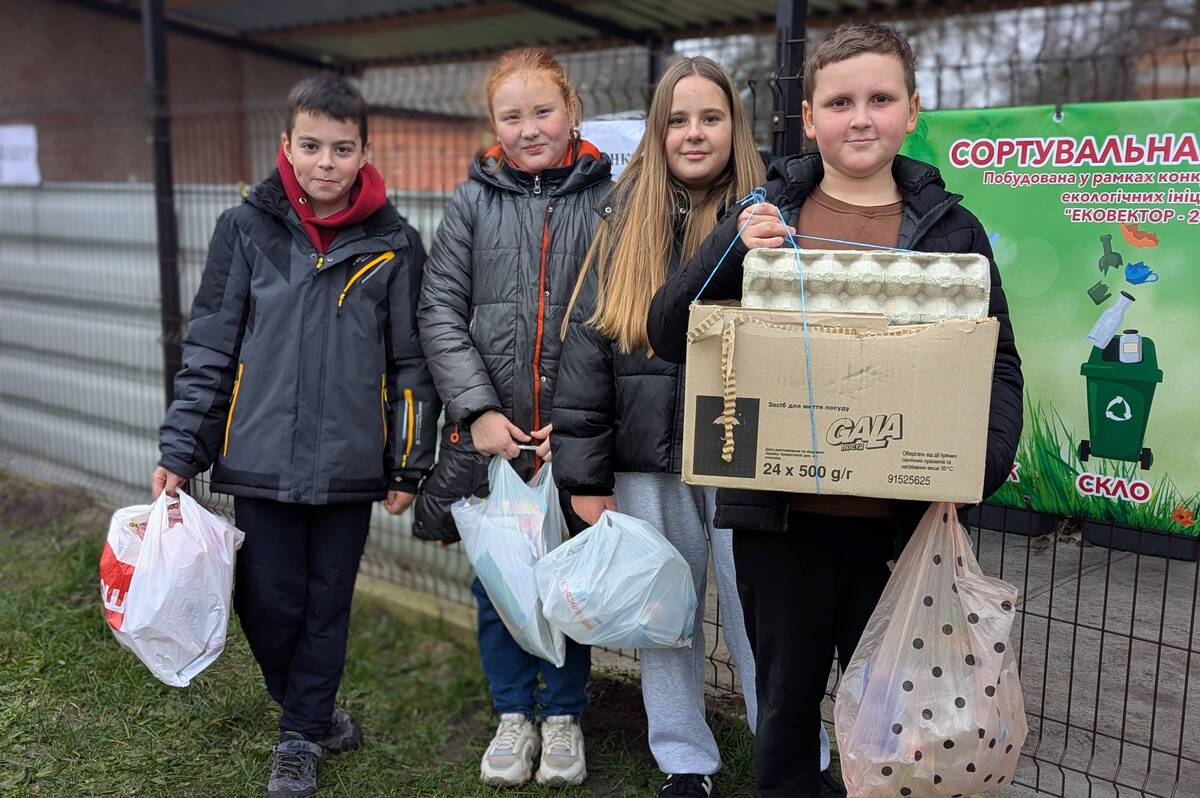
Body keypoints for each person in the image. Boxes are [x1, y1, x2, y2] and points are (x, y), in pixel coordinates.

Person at [646, 24, 1024, 798]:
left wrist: (972, 468)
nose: (861, 118)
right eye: (840, 102)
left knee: (897, 718)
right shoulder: (765, 213)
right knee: (784, 709)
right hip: (780, 527)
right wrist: (730, 247)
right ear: (809, 118)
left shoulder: (952, 230)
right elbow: (668, 333)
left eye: (880, 99)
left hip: (899, 530)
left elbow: (998, 362)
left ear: (912, 111)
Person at [552, 55, 836, 798]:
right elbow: (586, 348)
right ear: (658, 131)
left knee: (763, 616)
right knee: (665, 619)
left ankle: (796, 755)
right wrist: (584, 475)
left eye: (711, 117)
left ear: (735, 126)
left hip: (746, 449)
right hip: (644, 459)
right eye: (677, 120)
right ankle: (684, 762)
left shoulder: (778, 214)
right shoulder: (621, 220)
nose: (694, 132)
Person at [152, 74, 439, 798]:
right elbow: (211, 347)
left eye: (342, 149)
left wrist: (407, 463)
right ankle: (309, 709)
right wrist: (182, 450)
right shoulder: (244, 230)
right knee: (267, 601)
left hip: (349, 466)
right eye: (311, 146)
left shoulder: (395, 245)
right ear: (286, 145)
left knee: (325, 604)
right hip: (258, 459)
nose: (325, 163)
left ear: (365, 152)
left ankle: (298, 737)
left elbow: (412, 364)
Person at [415, 47, 612, 788]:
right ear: (493, 124)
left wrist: (582, 420)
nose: (529, 128)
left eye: (543, 111)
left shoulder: (611, 200)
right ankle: (511, 715)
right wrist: (478, 411)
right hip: (495, 441)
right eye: (512, 116)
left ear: (572, 112)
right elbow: (439, 309)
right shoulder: (472, 202)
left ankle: (562, 717)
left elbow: (623, 314)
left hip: (572, 438)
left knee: (566, 582)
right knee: (498, 584)